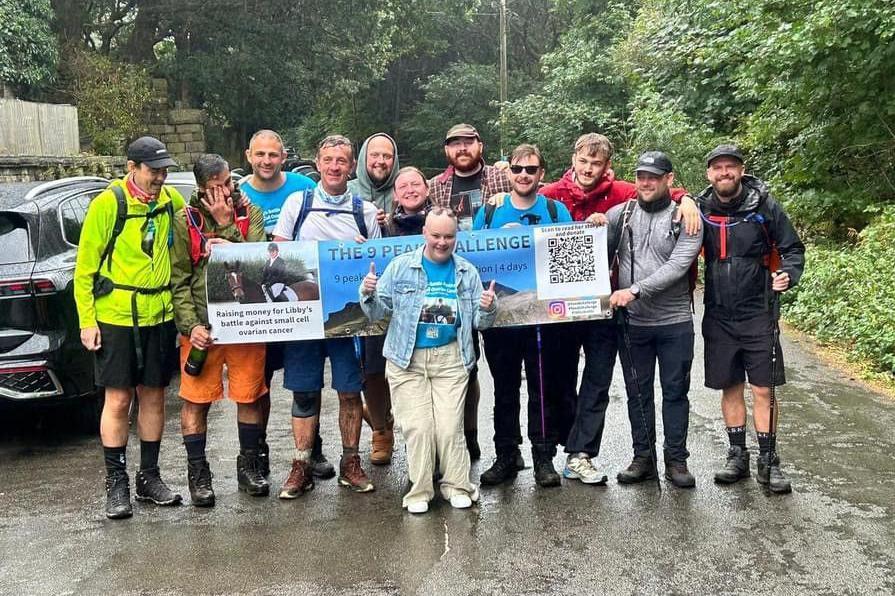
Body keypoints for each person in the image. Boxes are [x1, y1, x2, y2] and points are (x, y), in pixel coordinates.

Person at [539, 133, 701, 485]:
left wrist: (686, 199)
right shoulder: (550, 195)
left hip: (608, 307)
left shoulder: (624, 195)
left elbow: (659, 191)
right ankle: (551, 454)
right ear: (573, 159)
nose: (588, 168)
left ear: (607, 166)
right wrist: (503, 193)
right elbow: (524, 203)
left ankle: (588, 454)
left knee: (600, 382)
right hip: (562, 309)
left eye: (596, 163)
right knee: (561, 381)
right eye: (583, 161)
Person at [74, 136, 186, 519]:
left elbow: (191, 244)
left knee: (154, 396)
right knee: (119, 400)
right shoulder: (108, 204)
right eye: (154, 171)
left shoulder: (172, 202)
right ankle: (116, 482)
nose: (160, 178)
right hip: (117, 318)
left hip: (159, 314)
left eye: (164, 170)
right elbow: (84, 269)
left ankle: (148, 477)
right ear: (131, 168)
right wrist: (87, 321)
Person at [360, 207, 497, 512]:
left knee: (450, 428)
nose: (442, 242)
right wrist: (368, 293)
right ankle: (419, 491)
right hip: (407, 359)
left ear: (455, 237)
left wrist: (487, 308)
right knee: (419, 429)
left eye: (448, 236)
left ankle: (457, 485)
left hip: (450, 358)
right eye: (436, 235)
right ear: (425, 233)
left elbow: (479, 323)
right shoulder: (400, 267)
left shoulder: (467, 272)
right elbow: (377, 314)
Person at [272, 134, 381, 498]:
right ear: (318, 164)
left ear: (352, 167)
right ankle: (301, 464)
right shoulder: (297, 203)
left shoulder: (364, 212)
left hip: (348, 317)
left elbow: (376, 267)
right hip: (303, 315)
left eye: (342, 161)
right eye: (329, 160)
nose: (335, 167)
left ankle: (351, 462)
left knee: (350, 391)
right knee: (304, 392)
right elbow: (278, 255)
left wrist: (367, 255)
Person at [697, 144, 805, 494]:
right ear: (709, 174)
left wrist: (788, 274)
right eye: (718, 168)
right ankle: (737, 454)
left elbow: (792, 249)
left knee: (764, 387)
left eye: (731, 167)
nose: (724, 173)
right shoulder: (699, 208)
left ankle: (769, 459)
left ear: (741, 171)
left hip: (758, 311)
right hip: (718, 313)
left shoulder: (765, 205)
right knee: (730, 385)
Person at [472, 144, 574, 488]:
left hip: (542, 315)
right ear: (508, 173)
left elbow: (569, 262)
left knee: (543, 387)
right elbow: (473, 262)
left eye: (531, 169)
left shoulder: (556, 210)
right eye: (517, 169)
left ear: (541, 173)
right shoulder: (488, 214)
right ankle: (506, 455)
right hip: (500, 314)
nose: (524, 175)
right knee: (504, 387)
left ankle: (543, 457)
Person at [169, 154, 269, 506]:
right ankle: (198, 474)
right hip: (203, 329)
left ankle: (250, 466)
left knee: (249, 395)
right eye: (215, 187)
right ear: (200, 188)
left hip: (245, 324)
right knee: (196, 401)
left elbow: (258, 262)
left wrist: (227, 226)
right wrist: (190, 325)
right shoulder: (185, 220)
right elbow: (178, 280)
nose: (225, 192)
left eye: (228, 182)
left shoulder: (248, 212)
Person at [238, 129, 333, 480]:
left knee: (307, 381)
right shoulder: (238, 194)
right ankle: (256, 454)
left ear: (283, 156)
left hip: (297, 305)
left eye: (273, 155)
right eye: (260, 154)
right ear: (249, 155)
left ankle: (314, 446)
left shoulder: (301, 188)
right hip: (258, 309)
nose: (266, 161)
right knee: (256, 384)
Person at [606, 151, 702, 488]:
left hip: (674, 322)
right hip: (632, 325)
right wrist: (593, 223)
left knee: (675, 392)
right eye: (641, 176)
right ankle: (642, 458)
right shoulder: (621, 213)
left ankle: (676, 460)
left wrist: (633, 290)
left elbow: (678, 267)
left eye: (654, 176)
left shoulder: (686, 217)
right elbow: (593, 249)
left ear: (669, 180)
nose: (646, 182)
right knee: (638, 393)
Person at [429, 123, 512, 459]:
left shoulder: (504, 178)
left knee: (505, 373)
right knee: (462, 365)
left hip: (497, 287)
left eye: (468, 142)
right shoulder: (435, 186)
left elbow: (538, 195)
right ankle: (463, 434)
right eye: (455, 144)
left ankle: (505, 446)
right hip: (449, 286)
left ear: (481, 145)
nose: (462, 148)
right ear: (447, 150)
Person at [348, 133, 402, 465]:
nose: (381, 162)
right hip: (362, 293)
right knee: (372, 368)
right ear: (364, 159)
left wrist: (392, 224)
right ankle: (380, 429)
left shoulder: (406, 189)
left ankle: (402, 423)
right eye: (375, 156)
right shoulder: (349, 193)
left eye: (387, 156)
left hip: (403, 294)